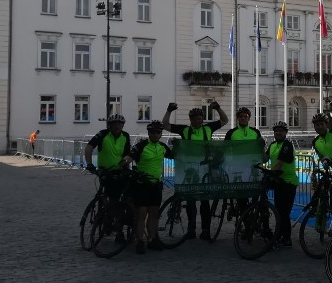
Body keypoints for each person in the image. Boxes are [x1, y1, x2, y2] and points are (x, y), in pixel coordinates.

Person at [162, 101, 229, 240]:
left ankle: (205, 230)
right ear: (190, 120)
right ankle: (191, 230)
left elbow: (224, 120)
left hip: (205, 169)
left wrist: (218, 108)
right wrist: (169, 111)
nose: (197, 121)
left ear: (203, 119)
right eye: (194, 118)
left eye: (199, 118)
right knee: (191, 202)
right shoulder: (185, 130)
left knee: (204, 202)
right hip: (189, 169)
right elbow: (166, 125)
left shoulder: (208, 128)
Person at [124, 120, 171, 254]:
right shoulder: (142, 145)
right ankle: (140, 241)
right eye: (153, 132)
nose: (155, 135)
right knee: (142, 214)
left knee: (154, 214)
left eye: (158, 132)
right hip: (142, 184)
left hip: (156, 184)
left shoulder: (163, 147)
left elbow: (175, 156)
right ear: (149, 133)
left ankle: (152, 239)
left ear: (161, 134)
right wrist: (125, 161)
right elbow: (131, 155)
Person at [224, 107, 264, 215]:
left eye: (245, 116)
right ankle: (245, 221)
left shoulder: (255, 132)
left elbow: (261, 147)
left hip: (253, 167)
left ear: (249, 118)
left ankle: (253, 214)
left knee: (256, 194)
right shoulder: (231, 133)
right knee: (242, 197)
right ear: (237, 118)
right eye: (240, 116)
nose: (243, 118)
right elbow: (224, 149)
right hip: (238, 167)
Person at [84, 114, 131, 201]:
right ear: (110, 125)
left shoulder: (125, 136)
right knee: (113, 196)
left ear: (122, 125)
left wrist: (126, 162)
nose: (117, 126)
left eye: (119, 124)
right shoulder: (103, 134)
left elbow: (128, 154)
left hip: (120, 171)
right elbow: (89, 147)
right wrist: (89, 164)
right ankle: (110, 212)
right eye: (114, 124)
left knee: (130, 192)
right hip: (106, 171)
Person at [266, 121, 298, 247]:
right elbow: (264, 157)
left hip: (288, 182)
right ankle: (281, 236)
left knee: (284, 212)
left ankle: (285, 238)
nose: (278, 132)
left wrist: (269, 173)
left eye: (281, 130)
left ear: (286, 133)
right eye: (276, 130)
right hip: (279, 181)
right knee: (279, 211)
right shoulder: (273, 144)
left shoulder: (287, 145)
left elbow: (279, 163)